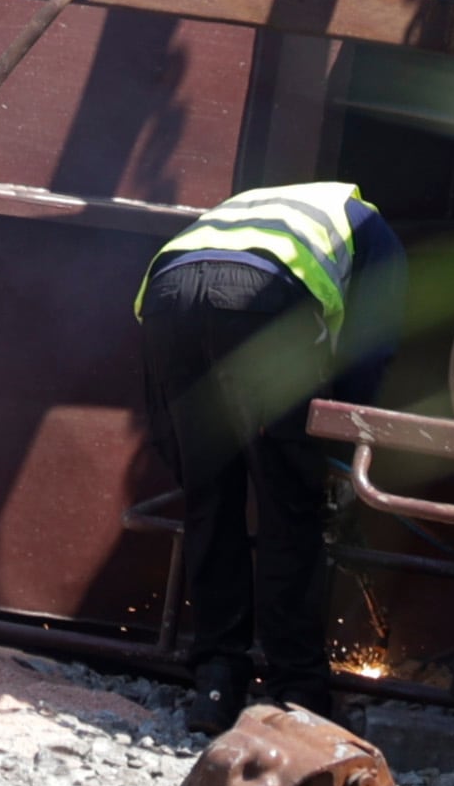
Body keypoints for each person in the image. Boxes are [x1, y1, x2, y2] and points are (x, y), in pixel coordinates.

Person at [134, 180, 404, 731]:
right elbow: (369, 348)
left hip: (167, 295)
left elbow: (159, 406)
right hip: (262, 300)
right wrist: (335, 454)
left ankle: (215, 684)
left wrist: (185, 459)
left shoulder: (257, 207)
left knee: (210, 502)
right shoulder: (374, 230)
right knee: (290, 510)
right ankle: (296, 692)